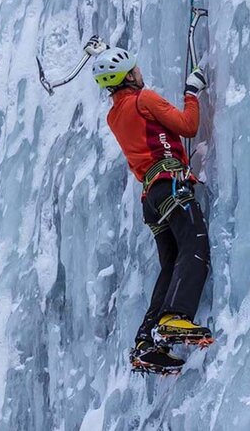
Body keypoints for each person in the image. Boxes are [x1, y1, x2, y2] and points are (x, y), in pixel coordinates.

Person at [93, 47, 212, 373]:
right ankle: (176, 316)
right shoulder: (143, 99)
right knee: (195, 245)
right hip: (170, 184)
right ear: (130, 76)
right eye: (135, 68)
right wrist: (191, 92)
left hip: (151, 199)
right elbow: (188, 125)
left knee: (171, 264)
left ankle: (147, 342)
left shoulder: (114, 114)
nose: (139, 71)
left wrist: (102, 50)